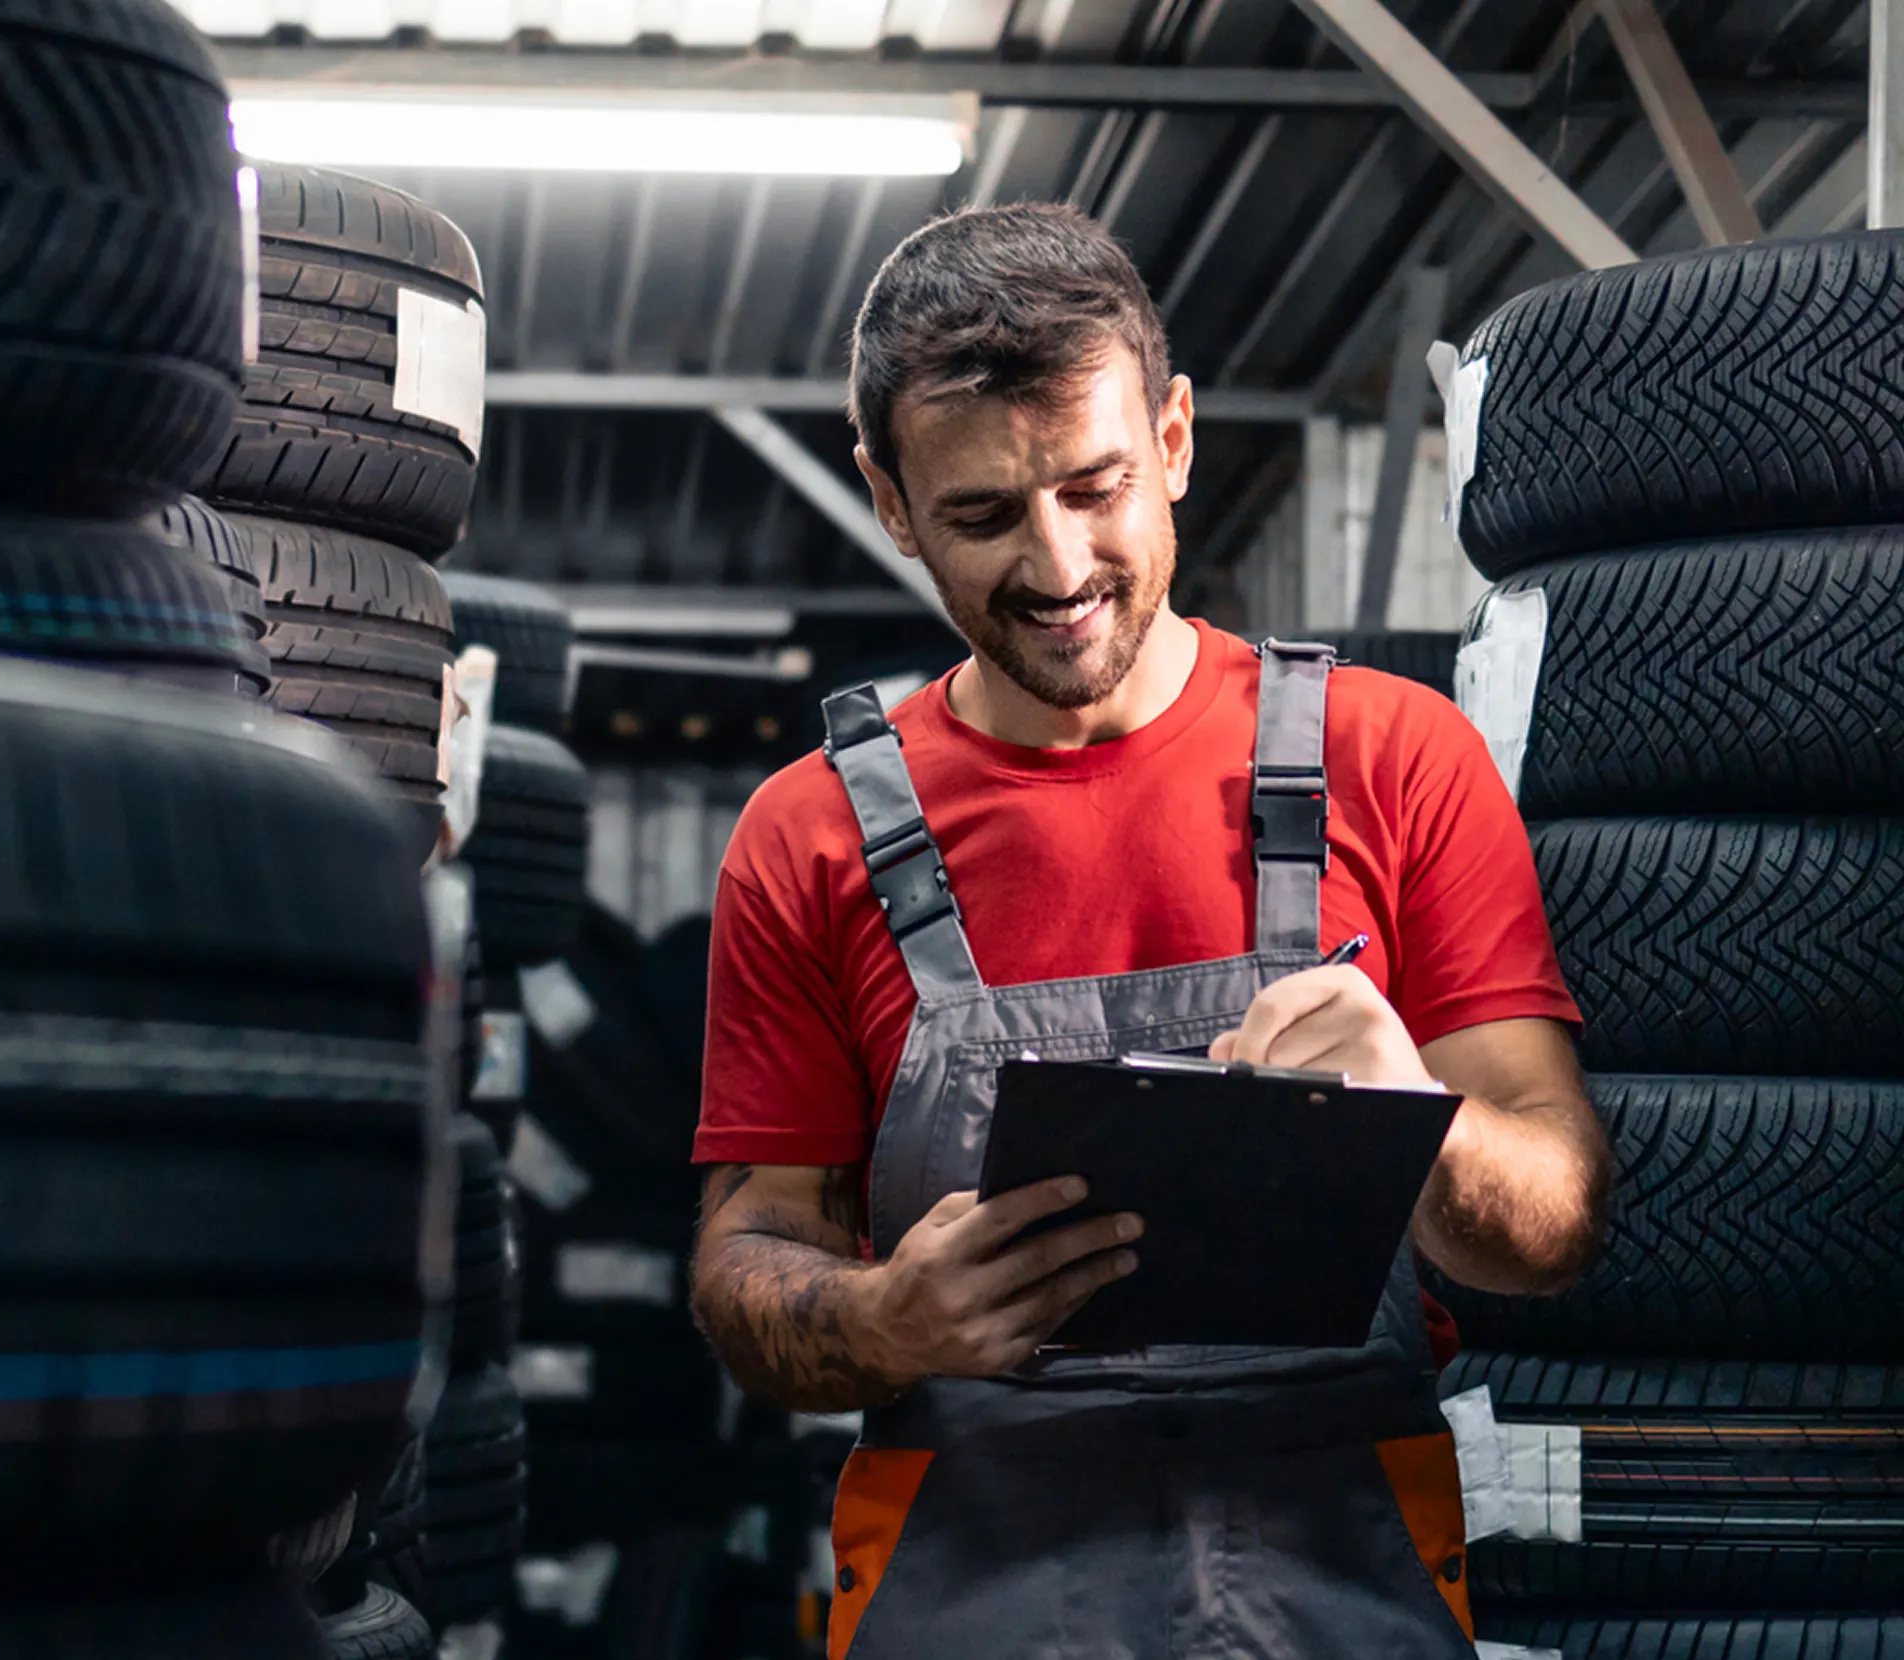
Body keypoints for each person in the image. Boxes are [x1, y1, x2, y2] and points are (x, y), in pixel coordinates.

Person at [685, 203, 1609, 1658]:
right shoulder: (810, 837)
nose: (1056, 570)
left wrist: (1416, 1118)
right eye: (984, 516)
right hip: (971, 1583)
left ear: (1174, 436)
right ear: (888, 498)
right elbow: (748, 1261)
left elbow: (1555, 1223)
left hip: (1339, 1580)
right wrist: (886, 1322)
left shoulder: (1398, 758)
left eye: (1095, 488)